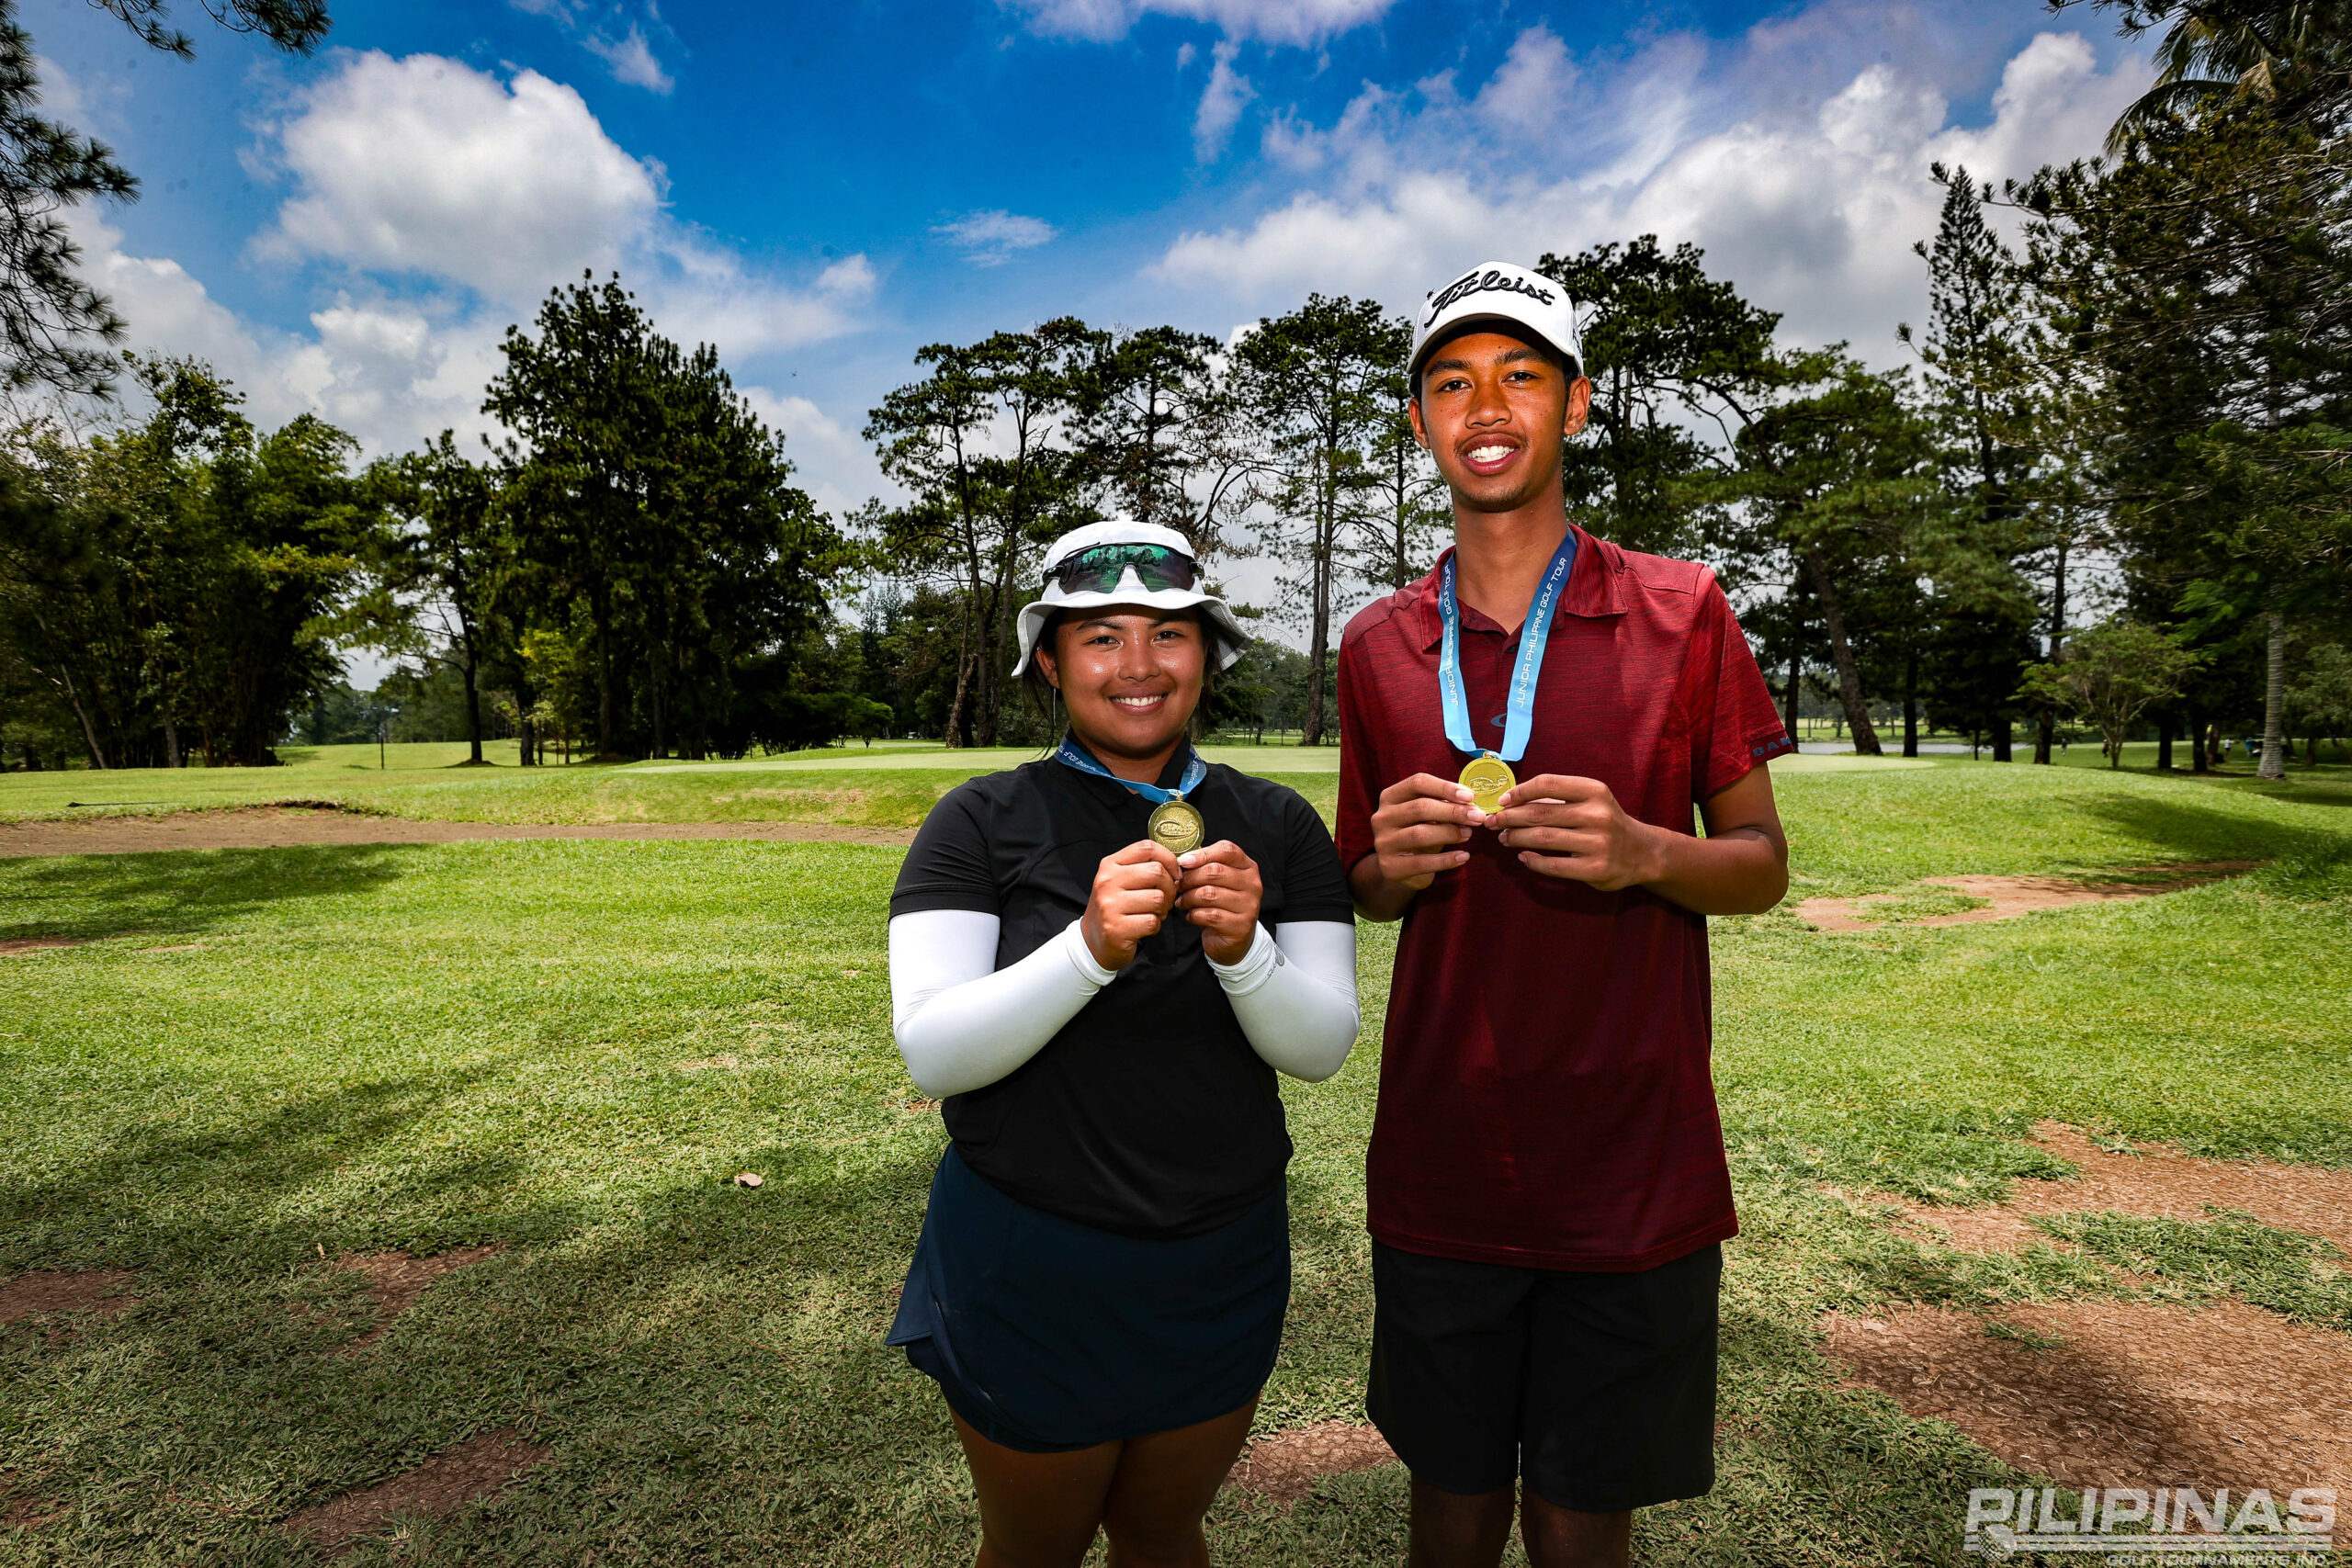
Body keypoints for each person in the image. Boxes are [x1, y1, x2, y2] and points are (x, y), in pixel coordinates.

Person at [1336, 263, 1796, 1568]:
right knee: (1452, 1503)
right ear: (1422, 422)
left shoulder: (1683, 608)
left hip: (1631, 1159)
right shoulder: (1376, 640)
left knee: (1587, 1515)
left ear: (1578, 405)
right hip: (1442, 1153)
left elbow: (1760, 863)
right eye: (1451, 381)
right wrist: (1389, 863)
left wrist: (1647, 847)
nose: (1485, 404)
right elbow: (1358, 883)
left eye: (1520, 374)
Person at [885, 519, 1362, 1568]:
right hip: (1030, 1257)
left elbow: (1321, 1047)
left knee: (1161, 1531)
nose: (1138, 666)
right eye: (1100, 637)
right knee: (1033, 1548)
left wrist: (1245, 951)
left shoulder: (1275, 823)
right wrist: (1089, 946)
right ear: (1050, 662)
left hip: (1218, 1259)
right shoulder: (979, 819)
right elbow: (934, 1054)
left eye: (1169, 635)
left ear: (1210, 655)